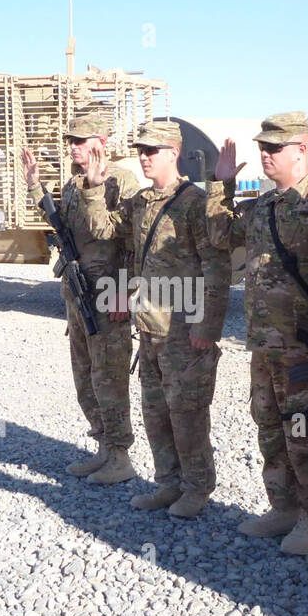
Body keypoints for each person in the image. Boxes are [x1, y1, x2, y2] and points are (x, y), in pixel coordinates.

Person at [206, 112, 308, 554]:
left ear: (301, 151)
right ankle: (282, 507)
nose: (266, 156)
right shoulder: (266, 207)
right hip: (265, 345)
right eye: (263, 148)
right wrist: (221, 185)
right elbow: (219, 235)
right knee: (270, 426)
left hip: (306, 348)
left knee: (307, 431)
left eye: (275, 148)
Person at [78, 120, 229, 518]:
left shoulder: (194, 203)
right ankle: (168, 483)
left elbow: (216, 266)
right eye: (141, 150)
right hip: (149, 328)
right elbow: (108, 234)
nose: (144, 157)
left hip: (183, 328)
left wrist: (207, 326)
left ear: (174, 153)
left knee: (188, 413)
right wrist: (94, 186)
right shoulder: (142, 201)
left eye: (153, 150)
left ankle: (197, 488)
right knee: (156, 411)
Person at [21, 110, 140, 485]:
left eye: (79, 141)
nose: (72, 147)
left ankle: (120, 456)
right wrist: (36, 187)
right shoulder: (73, 184)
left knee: (110, 376)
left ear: (101, 143)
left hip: (108, 293)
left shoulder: (122, 181)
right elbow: (64, 229)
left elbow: (134, 242)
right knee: (85, 376)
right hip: (78, 291)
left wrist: (126, 291)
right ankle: (103, 447)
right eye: (69, 141)